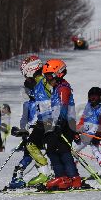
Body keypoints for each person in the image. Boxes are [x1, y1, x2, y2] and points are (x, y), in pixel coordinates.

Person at [41, 58, 81, 190]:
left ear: (58, 73)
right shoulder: (57, 88)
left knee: (63, 150)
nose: (47, 79)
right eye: (46, 76)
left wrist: (59, 123)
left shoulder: (64, 88)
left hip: (65, 124)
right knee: (52, 150)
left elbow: (64, 107)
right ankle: (62, 177)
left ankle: (72, 178)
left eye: (49, 76)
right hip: (58, 123)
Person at [20, 55, 53, 186]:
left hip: (49, 118)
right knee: (39, 145)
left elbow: (52, 96)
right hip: (43, 119)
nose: (25, 77)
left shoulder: (43, 82)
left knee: (33, 145)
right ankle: (48, 173)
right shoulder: (37, 83)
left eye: (25, 73)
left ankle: (46, 173)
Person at [9, 78, 40, 189]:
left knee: (41, 154)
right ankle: (17, 176)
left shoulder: (41, 102)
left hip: (40, 131)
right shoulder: (27, 104)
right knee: (30, 155)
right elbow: (24, 119)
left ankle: (46, 174)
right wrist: (23, 131)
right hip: (31, 133)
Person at [75, 87, 101, 174]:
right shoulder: (88, 106)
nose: (92, 99)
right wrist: (77, 131)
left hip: (91, 133)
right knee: (95, 150)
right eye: (90, 96)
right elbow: (83, 120)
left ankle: (71, 169)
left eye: (95, 97)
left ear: (100, 97)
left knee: (73, 151)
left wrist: (98, 136)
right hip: (87, 132)